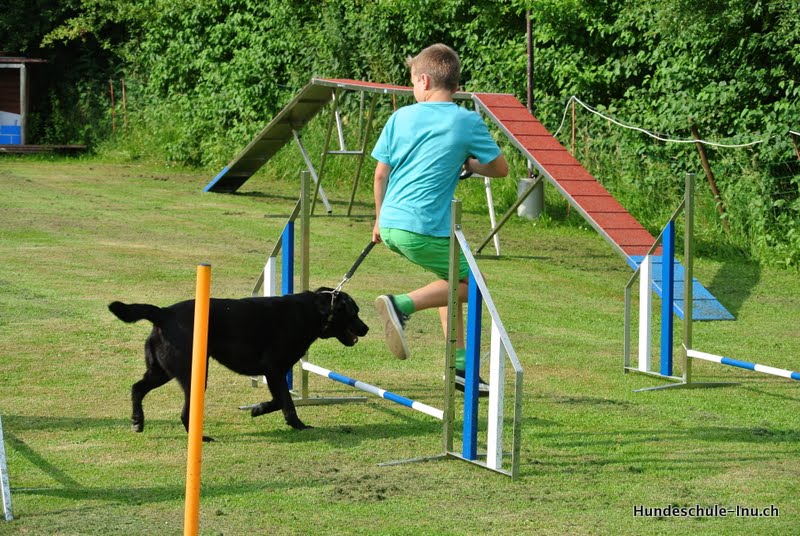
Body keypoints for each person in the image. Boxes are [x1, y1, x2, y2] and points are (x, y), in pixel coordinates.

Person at [370, 43, 509, 394]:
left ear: (425, 80)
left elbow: (380, 175)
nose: (413, 89)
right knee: (474, 285)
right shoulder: (466, 121)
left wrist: (379, 220)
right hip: (423, 227)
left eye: (412, 82)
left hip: (391, 222)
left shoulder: (400, 117)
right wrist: (469, 164)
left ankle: (460, 369)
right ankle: (400, 305)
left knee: (450, 283)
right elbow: (500, 169)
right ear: (456, 85)